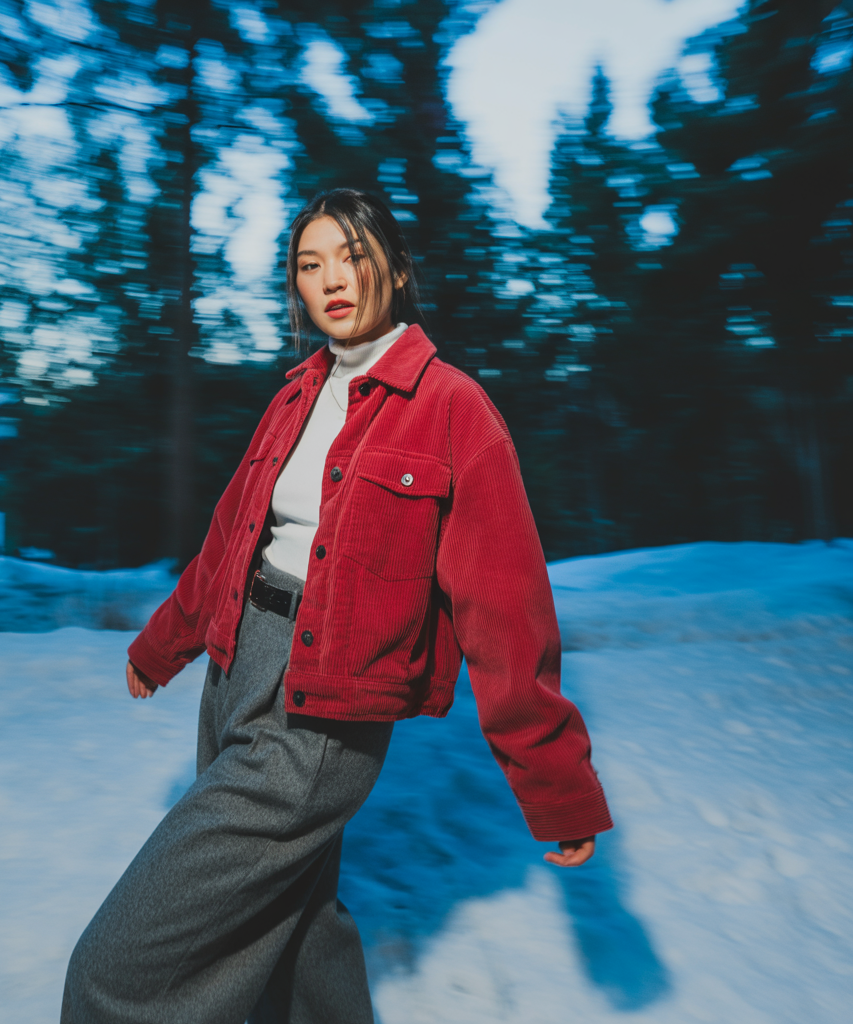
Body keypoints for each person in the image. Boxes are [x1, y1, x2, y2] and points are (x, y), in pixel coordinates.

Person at [61, 188, 613, 1024]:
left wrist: (557, 786)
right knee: (291, 928)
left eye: (351, 256)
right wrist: (161, 646)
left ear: (392, 265)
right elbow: (229, 543)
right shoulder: (293, 397)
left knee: (118, 968)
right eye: (310, 265)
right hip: (234, 674)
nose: (332, 280)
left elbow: (508, 612)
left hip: (320, 717)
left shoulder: (454, 409)